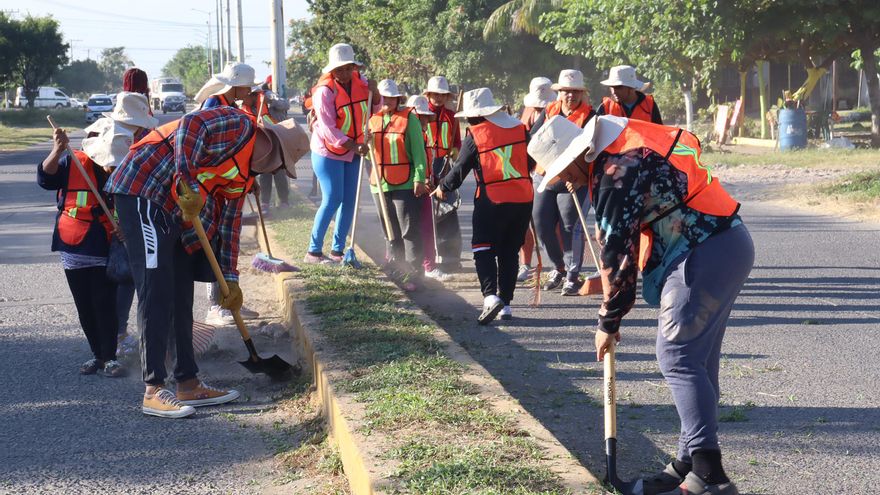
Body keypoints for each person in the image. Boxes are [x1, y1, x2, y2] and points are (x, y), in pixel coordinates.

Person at [536, 115, 753, 495]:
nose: (564, 182)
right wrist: (606, 296)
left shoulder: (614, 171)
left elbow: (617, 250)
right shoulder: (621, 150)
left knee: (678, 357)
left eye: (562, 173)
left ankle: (709, 474)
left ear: (577, 156)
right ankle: (687, 463)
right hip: (726, 244)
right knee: (697, 360)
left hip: (705, 253)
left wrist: (608, 320)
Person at [106, 105, 307, 418]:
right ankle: (153, 389)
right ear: (274, 151)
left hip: (174, 212)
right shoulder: (239, 125)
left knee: (181, 292)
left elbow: (229, 227)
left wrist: (230, 279)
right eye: (281, 167)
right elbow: (191, 126)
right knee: (156, 289)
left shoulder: (243, 178)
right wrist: (188, 181)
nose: (276, 174)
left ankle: (187, 382)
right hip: (143, 190)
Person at [38, 125, 134, 378]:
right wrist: (56, 150)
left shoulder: (127, 168)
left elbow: (136, 205)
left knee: (104, 303)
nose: (110, 166)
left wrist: (128, 228)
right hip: (73, 244)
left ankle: (110, 357)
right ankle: (97, 355)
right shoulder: (74, 163)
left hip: (107, 246)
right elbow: (45, 178)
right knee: (85, 306)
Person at [434, 88, 534, 324]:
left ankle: (490, 297)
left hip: (492, 199)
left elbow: (459, 170)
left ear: (477, 116)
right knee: (510, 251)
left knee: (483, 248)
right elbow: (531, 161)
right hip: (522, 198)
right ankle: (506, 304)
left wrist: (442, 188)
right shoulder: (520, 129)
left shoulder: (476, 134)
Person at [85, 92, 158, 357]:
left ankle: (123, 333)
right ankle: (118, 335)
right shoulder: (114, 137)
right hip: (114, 217)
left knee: (130, 277)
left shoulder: (135, 135)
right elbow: (109, 178)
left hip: (130, 212)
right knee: (125, 277)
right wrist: (119, 221)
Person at [306, 43, 380, 264]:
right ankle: (314, 251)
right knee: (333, 198)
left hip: (354, 151)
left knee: (350, 200)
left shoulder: (363, 83)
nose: (345, 73)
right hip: (327, 152)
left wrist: (375, 94)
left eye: (348, 68)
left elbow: (375, 109)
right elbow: (327, 127)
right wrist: (353, 145)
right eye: (340, 70)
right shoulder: (324, 91)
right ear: (332, 71)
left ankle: (338, 251)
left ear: (353, 67)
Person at [529, 69, 594, 296]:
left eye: (575, 92)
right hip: (545, 174)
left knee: (570, 226)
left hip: (574, 180)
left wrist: (580, 179)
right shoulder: (549, 111)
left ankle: (572, 275)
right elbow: (533, 139)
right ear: (559, 93)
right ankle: (557, 267)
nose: (570, 96)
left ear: (581, 94)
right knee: (540, 222)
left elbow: (593, 151)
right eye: (566, 91)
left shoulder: (591, 116)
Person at [367, 80, 430, 291]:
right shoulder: (372, 121)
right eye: (384, 98)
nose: (388, 102)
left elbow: (420, 153)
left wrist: (419, 178)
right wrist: (363, 143)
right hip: (379, 184)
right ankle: (397, 268)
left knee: (409, 230)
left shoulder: (409, 120)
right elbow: (368, 154)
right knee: (389, 231)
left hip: (404, 183)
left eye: (392, 98)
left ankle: (414, 273)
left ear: (397, 99)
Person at [405, 94, 449, 282]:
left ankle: (427, 265)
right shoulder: (406, 133)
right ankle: (423, 266)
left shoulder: (423, 133)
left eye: (425, 117)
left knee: (425, 227)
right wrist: (421, 180)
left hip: (423, 184)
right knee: (414, 228)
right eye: (419, 117)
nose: (423, 121)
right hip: (412, 186)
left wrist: (431, 178)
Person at [517, 76, 556, 283]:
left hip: (550, 172)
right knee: (525, 221)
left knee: (549, 222)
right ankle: (525, 263)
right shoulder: (526, 113)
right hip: (527, 172)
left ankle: (556, 265)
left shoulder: (557, 113)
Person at [423, 76, 462, 273]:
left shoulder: (450, 115)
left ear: (446, 96)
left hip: (446, 165)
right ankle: (428, 255)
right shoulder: (421, 113)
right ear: (428, 95)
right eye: (435, 94)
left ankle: (450, 256)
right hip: (427, 162)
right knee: (427, 210)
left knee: (448, 208)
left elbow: (457, 141)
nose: (438, 98)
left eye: (442, 95)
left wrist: (455, 149)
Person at [251, 75, 292, 213]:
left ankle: (284, 201)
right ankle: (265, 203)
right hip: (262, 142)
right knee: (265, 173)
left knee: (279, 172)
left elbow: (286, 104)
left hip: (277, 140)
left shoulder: (269, 98)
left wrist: (271, 98)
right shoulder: (251, 102)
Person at [597, 65, 663, 124]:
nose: (613, 91)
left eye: (618, 87)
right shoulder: (605, 107)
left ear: (631, 88)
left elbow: (660, 133)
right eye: (612, 87)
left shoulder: (649, 105)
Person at [195, 62, 260, 110]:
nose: (250, 90)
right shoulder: (213, 103)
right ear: (235, 86)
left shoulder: (232, 104)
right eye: (247, 87)